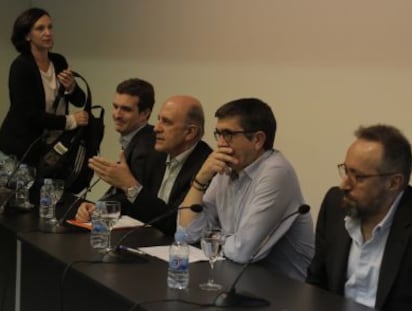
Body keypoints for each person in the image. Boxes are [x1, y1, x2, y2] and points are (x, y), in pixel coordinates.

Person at [179, 98, 314, 281]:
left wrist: (213, 238)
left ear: (257, 140)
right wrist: (200, 179)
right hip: (237, 278)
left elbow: (243, 252)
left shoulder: (276, 172)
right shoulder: (227, 167)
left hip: (283, 289)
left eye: (228, 134)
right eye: (218, 134)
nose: (220, 143)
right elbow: (187, 234)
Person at [306, 124, 412, 310]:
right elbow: (317, 282)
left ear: (393, 182)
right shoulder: (335, 205)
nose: (344, 185)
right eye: (346, 171)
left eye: (358, 177)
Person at [76, 95, 212, 236]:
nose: (156, 128)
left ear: (190, 132)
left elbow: (174, 223)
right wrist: (102, 209)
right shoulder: (153, 153)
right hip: (143, 241)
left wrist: (130, 186)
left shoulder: (206, 168)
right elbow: (131, 199)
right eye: (158, 119)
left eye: (166, 122)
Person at [0, 8, 88, 166]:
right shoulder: (21, 66)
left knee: (52, 189)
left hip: (53, 146)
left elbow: (80, 100)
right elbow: (31, 116)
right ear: (27, 36)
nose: (48, 33)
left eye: (50, 27)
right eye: (40, 28)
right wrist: (70, 121)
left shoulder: (59, 61)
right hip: (21, 148)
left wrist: (72, 87)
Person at [75, 78, 156, 219]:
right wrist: (98, 207)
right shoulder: (138, 138)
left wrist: (100, 209)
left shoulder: (146, 148)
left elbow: (134, 201)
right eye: (115, 106)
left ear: (145, 114)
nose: (117, 115)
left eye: (126, 109)